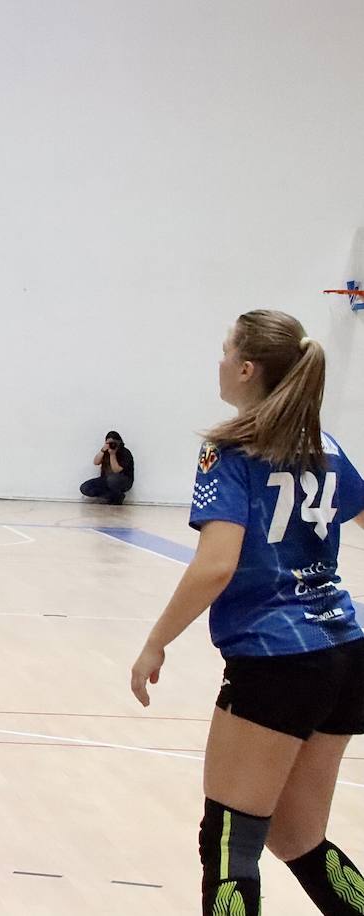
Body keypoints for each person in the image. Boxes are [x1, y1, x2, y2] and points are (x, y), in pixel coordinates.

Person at [130, 310, 364, 915]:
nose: (218, 360)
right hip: (345, 652)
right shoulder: (326, 445)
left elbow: (215, 565)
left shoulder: (230, 451)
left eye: (224, 349)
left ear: (246, 368)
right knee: (299, 838)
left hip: (277, 660)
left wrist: (156, 641)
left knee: (231, 844)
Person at [80, 430, 134, 505]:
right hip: (106, 480)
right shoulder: (106, 451)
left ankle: (116, 497)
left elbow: (116, 470)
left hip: (124, 480)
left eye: (113, 443)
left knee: (112, 479)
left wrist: (112, 455)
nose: (111, 445)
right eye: (108, 443)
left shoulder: (125, 452)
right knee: (85, 488)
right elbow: (96, 462)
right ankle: (113, 497)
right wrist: (102, 450)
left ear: (119, 442)